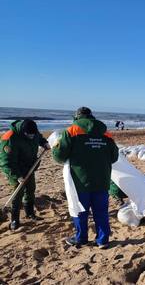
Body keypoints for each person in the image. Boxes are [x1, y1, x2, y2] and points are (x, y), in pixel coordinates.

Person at [52, 107, 118, 249]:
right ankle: (103, 240)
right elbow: (114, 156)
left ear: (76, 117)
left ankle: (81, 238)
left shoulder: (71, 131)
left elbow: (59, 156)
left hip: (80, 180)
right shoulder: (105, 133)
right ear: (91, 116)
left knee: (80, 210)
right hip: (102, 180)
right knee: (101, 211)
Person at [0, 119, 50, 230]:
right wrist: (17, 176)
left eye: (34, 134)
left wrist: (44, 142)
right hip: (15, 169)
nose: (32, 136)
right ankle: (15, 219)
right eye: (29, 135)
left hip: (29, 167)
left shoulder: (33, 131)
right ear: (23, 132)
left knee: (31, 189)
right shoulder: (9, 138)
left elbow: (39, 137)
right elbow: (5, 162)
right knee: (18, 194)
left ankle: (30, 213)